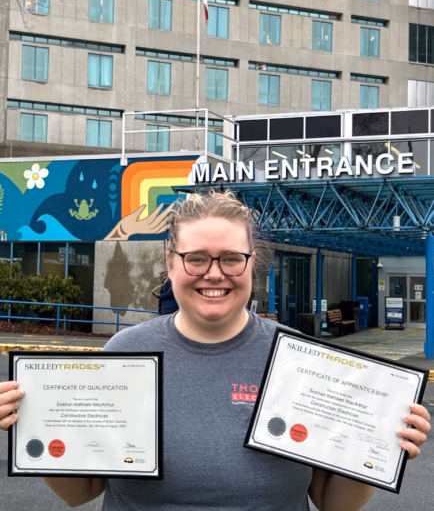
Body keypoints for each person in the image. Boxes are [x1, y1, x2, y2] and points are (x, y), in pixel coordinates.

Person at [0, 192, 431, 510]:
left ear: (251, 262)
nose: (214, 274)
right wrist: (32, 427)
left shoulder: (299, 359)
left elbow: (331, 500)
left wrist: (377, 451)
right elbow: (81, 492)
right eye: (197, 258)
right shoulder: (125, 353)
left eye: (230, 258)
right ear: (171, 263)